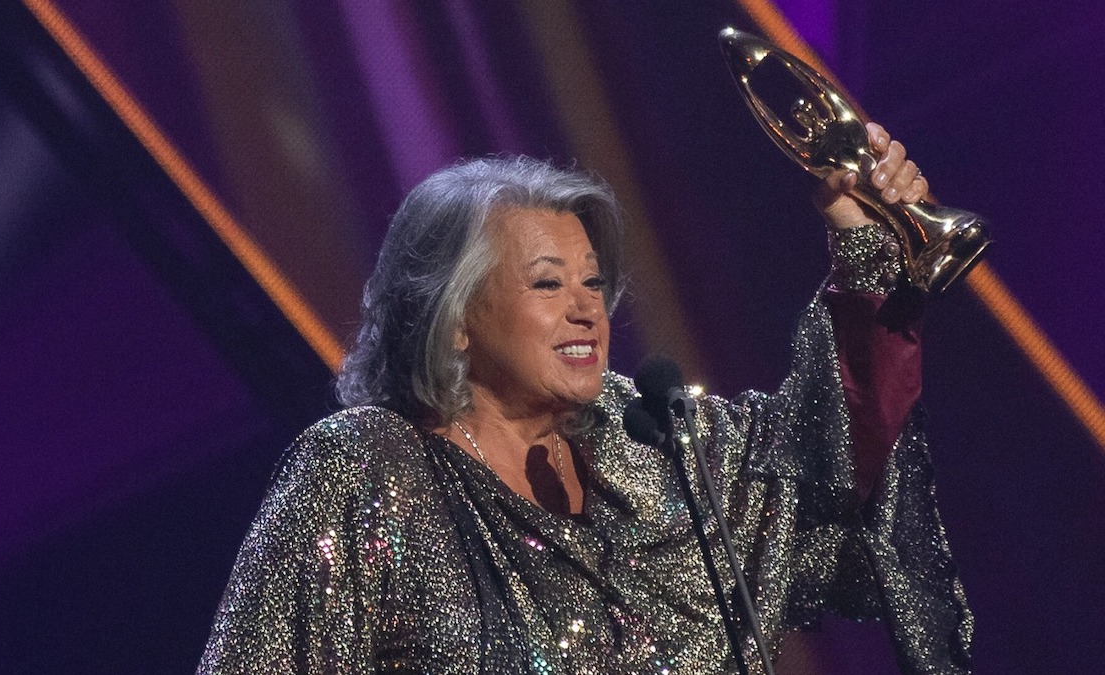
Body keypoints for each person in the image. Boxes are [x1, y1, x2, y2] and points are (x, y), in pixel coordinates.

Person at [198, 123, 972, 674]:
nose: (586, 308)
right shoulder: (366, 468)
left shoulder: (660, 454)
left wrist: (861, 238)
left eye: (593, 283)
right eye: (547, 283)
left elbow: (826, 467)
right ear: (455, 315)